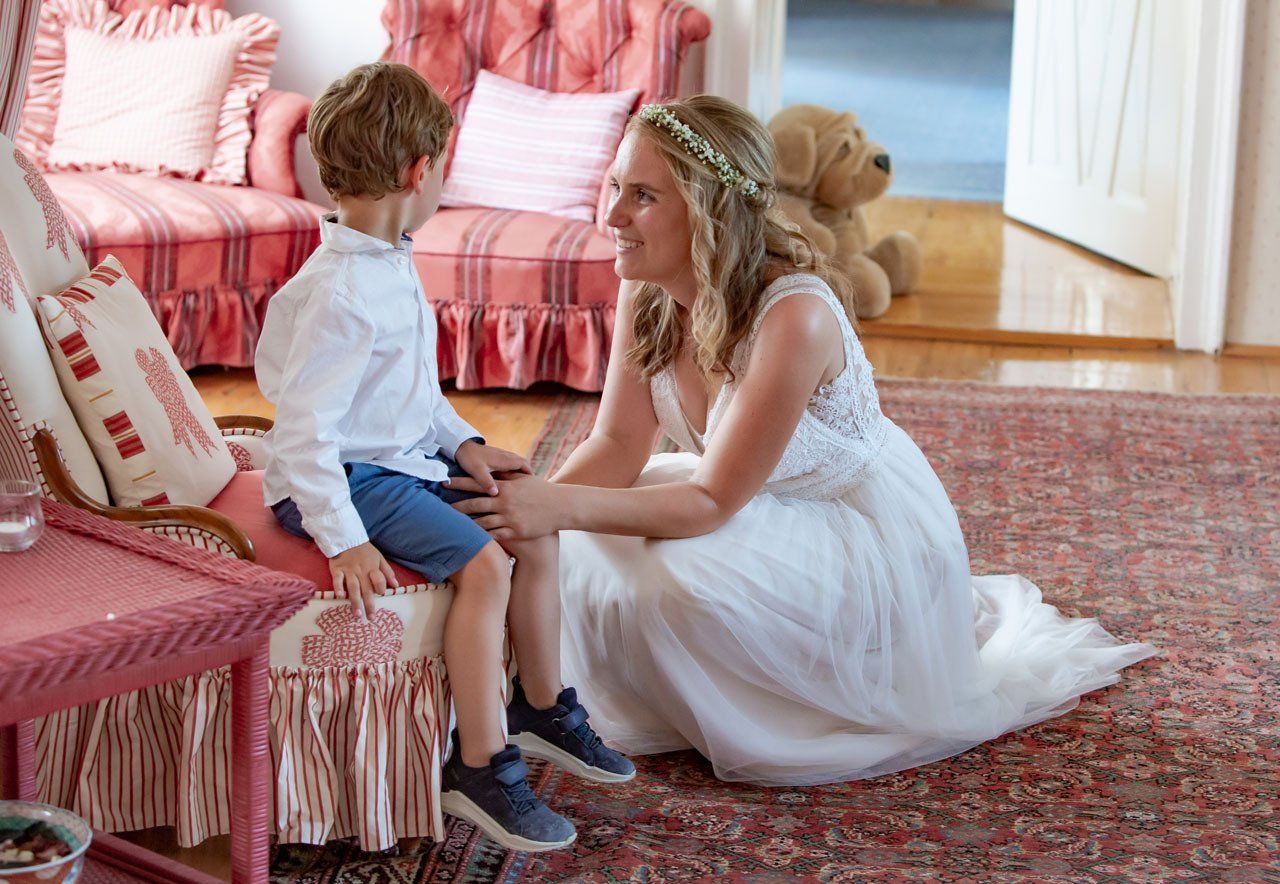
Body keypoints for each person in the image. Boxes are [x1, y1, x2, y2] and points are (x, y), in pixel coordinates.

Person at [450, 95, 1157, 786]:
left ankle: (777, 704)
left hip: (848, 527)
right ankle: (585, 701)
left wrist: (555, 507)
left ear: (707, 209)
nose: (611, 215)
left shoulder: (795, 315)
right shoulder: (649, 284)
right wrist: (528, 511)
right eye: (614, 186)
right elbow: (615, 443)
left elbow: (710, 501)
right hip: (742, 498)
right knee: (582, 546)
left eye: (643, 196)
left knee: (668, 584)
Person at [255, 62, 633, 850]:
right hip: (341, 482)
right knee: (486, 567)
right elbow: (302, 436)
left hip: (391, 463)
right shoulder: (342, 293)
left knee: (531, 525)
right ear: (419, 171)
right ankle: (480, 767)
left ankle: (539, 707)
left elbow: (413, 394)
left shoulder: (386, 258)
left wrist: (463, 444)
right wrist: (344, 540)